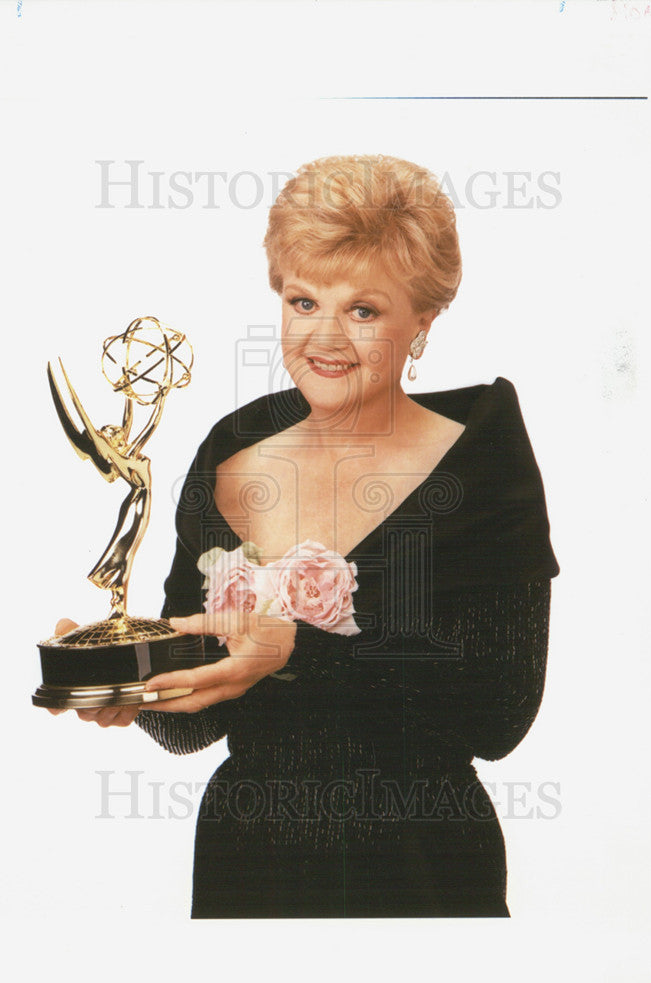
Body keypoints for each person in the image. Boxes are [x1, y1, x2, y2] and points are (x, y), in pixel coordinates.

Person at [52, 154, 560, 918]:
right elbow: (203, 722)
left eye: (364, 310)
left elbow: (499, 717)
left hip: (422, 862)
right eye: (302, 301)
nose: (324, 337)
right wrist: (138, 686)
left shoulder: (482, 456)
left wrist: (298, 648)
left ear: (424, 319)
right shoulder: (232, 451)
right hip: (247, 860)